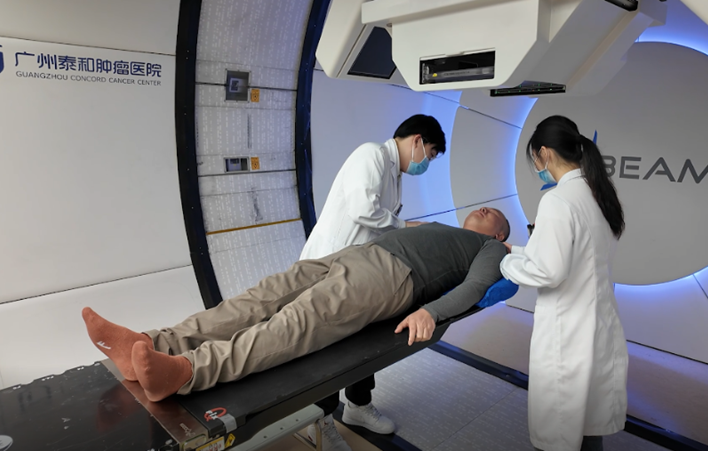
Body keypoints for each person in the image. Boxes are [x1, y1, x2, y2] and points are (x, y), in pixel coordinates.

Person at [81, 207, 510, 410]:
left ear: (500, 234)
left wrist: (431, 313)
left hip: (391, 277)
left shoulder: (491, 249)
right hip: (354, 255)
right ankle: (151, 343)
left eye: (496, 216)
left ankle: (186, 371)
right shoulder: (442, 225)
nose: (486, 209)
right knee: (258, 299)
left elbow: (476, 287)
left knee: (294, 324)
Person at [300, 114, 446, 450]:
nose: (427, 163)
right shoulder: (372, 155)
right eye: (430, 154)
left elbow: (380, 226)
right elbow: (363, 210)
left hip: (357, 272)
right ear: (417, 140)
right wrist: (407, 227)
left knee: (364, 338)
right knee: (330, 346)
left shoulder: (394, 173)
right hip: (329, 266)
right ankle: (319, 420)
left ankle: (358, 405)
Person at [500, 115, 628, 451]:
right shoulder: (597, 193)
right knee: (587, 427)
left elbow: (549, 271)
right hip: (597, 324)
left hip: (567, 333)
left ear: (544, 153)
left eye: (534, 159)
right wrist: (518, 250)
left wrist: (506, 263)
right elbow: (577, 253)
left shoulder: (557, 200)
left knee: (559, 431)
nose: (537, 167)